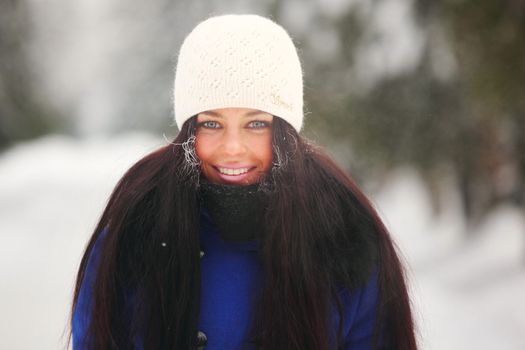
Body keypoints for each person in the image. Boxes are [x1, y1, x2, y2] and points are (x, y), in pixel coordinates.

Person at [70, 14, 417, 349]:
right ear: (188, 129)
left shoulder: (342, 230)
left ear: (284, 129)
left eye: (256, 124)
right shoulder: (138, 225)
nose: (233, 148)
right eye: (211, 123)